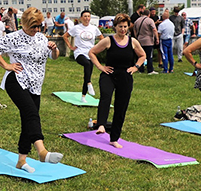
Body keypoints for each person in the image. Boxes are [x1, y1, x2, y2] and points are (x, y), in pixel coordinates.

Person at [0, 7, 64, 172]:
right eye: (33, 27)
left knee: (27, 120)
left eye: (38, 26)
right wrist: (7, 65)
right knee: (31, 114)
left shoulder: (42, 38)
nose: (36, 30)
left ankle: (21, 160)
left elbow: (54, 57)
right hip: (16, 81)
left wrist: (54, 49)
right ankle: (42, 151)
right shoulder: (14, 37)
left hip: (35, 85)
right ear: (24, 24)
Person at [87, 13, 146, 147]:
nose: (123, 29)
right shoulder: (108, 41)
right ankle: (101, 125)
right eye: (120, 27)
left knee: (121, 107)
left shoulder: (132, 41)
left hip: (125, 76)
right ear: (115, 27)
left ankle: (114, 138)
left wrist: (135, 67)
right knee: (105, 97)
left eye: (125, 27)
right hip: (109, 74)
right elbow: (92, 52)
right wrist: (100, 67)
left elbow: (143, 55)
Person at [63, 10, 103, 102]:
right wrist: (70, 47)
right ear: (81, 18)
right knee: (87, 64)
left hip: (90, 53)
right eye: (85, 16)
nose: (87, 18)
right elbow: (65, 36)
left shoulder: (94, 28)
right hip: (79, 52)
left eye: (88, 16)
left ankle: (83, 96)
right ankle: (89, 83)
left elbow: (101, 38)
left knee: (87, 73)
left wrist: (97, 48)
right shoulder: (76, 28)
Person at [134, 9, 158, 75]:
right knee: (149, 56)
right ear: (149, 14)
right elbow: (154, 29)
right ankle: (150, 70)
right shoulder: (150, 20)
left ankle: (140, 69)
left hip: (140, 40)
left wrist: (137, 37)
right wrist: (157, 38)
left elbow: (134, 30)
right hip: (148, 41)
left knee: (140, 56)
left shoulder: (137, 20)